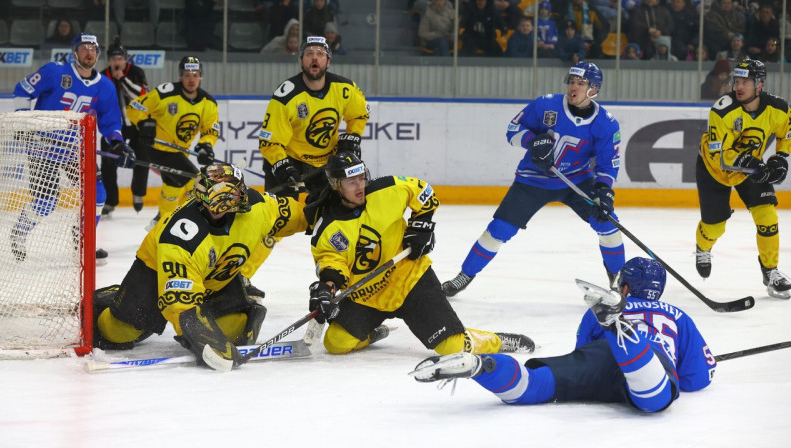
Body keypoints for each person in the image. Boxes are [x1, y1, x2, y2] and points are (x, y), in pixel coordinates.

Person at [412, 258, 716, 414]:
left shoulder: (592, 312)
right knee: (654, 400)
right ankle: (620, 330)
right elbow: (697, 379)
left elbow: (581, 352)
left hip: (599, 354)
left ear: (624, 288)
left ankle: (482, 366)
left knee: (532, 387)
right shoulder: (675, 314)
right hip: (649, 358)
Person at [306, 151, 535, 356]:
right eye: (350, 182)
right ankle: (374, 332)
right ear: (336, 185)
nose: (360, 186)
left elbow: (424, 192)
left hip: (411, 280)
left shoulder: (388, 189)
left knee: (452, 347)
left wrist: (421, 225)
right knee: (336, 343)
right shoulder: (327, 227)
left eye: (361, 178)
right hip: (368, 294)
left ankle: (496, 340)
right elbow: (332, 263)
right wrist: (326, 288)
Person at [93, 164, 309, 370]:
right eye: (229, 194)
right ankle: (111, 299)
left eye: (236, 191)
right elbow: (180, 301)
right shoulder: (181, 234)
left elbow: (302, 215)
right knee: (118, 331)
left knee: (236, 329)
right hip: (157, 273)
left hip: (216, 276)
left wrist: (332, 205)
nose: (237, 196)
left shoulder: (258, 206)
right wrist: (204, 340)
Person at [441, 62, 624, 297]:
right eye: (571, 82)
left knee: (609, 225)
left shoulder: (606, 124)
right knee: (498, 230)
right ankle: (464, 275)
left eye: (581, 83)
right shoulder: (546, 105)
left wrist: (604, 191)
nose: (573, 88)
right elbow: (512, 130)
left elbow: (608, 163)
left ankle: (617, 283)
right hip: (533, 179)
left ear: (594, 89)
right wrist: (532, 141)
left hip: (576, 181)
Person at [11, 33, 136, 265]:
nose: (88, 52)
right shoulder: (55, 71)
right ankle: (19, 232)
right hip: (43, 147)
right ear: (74, 52)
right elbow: (22, 89)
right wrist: (22, 120)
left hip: (75, 149)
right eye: (84, 47)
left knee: (98, 193)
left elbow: (110, 122)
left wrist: (117, 142)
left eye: (92, 48)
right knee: (46, 203)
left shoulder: (105, 86)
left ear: (97, 54)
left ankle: (83, 239)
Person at [695, 59, 791, 298]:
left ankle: (771, 272)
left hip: (751, 168)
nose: (738, 86)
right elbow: (719, 155)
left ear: (759, 84)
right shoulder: (723, 109)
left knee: (767, 216)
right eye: (737, 81)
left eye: (745, 81)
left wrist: (780, 158)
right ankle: (702, 247)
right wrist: (751, 162)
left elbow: (787, 134)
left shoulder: (778, 108)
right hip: (714, 170)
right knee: (715, 227)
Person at [259, 36, 369, 199]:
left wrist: (353, 135)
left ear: (328, 62)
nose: (315, 57)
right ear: (301, 61)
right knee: (280, 218)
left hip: (328, 164)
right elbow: (270, 141)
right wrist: (282, 166)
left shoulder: (345, 89)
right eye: (309, 53)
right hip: (292, 162)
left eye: (321, 54)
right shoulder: (286, 96)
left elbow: (359, 114)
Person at [126, 56, 220, 230]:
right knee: (196, 182)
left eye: (195, 74)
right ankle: (198, 223)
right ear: (180, 76)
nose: (191, 79)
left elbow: (210, 131)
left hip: (179, 152)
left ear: (201, 76)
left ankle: (161, 221)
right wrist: (143, 123)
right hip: (155, 148)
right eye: (187, 74)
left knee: (173, 188)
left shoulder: (209, 103)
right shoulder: (165, 93)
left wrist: (206, 145)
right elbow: (134, 106)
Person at [100, 37, 149, 217]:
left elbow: (142, 95)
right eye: (113, 59)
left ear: (125, 59)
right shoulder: (102, 76)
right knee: (107, 164)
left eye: (120, 58)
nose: (116, 62)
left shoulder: (136, 72)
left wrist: (123, 80)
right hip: (113, 128)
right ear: (109, 60)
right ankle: (110, 201)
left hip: (137, 125)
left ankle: (138, 193)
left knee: (142, 159)